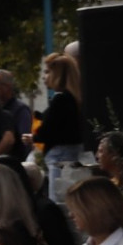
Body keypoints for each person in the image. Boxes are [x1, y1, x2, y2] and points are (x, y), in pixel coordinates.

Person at [36, 54, 90, 200]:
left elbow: (47, 130)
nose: (45, 77)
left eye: (48, 72)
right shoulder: (76, 99)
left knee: (58, 200)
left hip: (59, 156)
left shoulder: (60, 100)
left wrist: (35, 136)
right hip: (74, 153)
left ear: (57, 74)